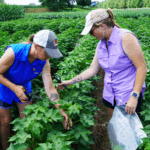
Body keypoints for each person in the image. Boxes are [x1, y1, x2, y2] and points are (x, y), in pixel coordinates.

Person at [57, 9, 147, 119]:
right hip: (110, 94)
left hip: (127, 95)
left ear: (102, 25)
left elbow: (141, 67)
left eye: (91, 31)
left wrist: (134, 96)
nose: (90, 35)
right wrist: (71, 82)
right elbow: (92, 69)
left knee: (130, 132)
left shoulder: (125, 37)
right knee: (117, 128)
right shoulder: (101, 45)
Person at [0, 29, 72, 150]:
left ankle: (27, 146)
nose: (49, 56)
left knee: (28, 120)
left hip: (24, 87)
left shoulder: (44, 61)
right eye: (48, 52)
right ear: (37, 46)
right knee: (6, 121)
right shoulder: (14, 52)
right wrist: (14, 88)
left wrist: (61, 110)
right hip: (5, 87)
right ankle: (5, 146)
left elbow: (50, 88)